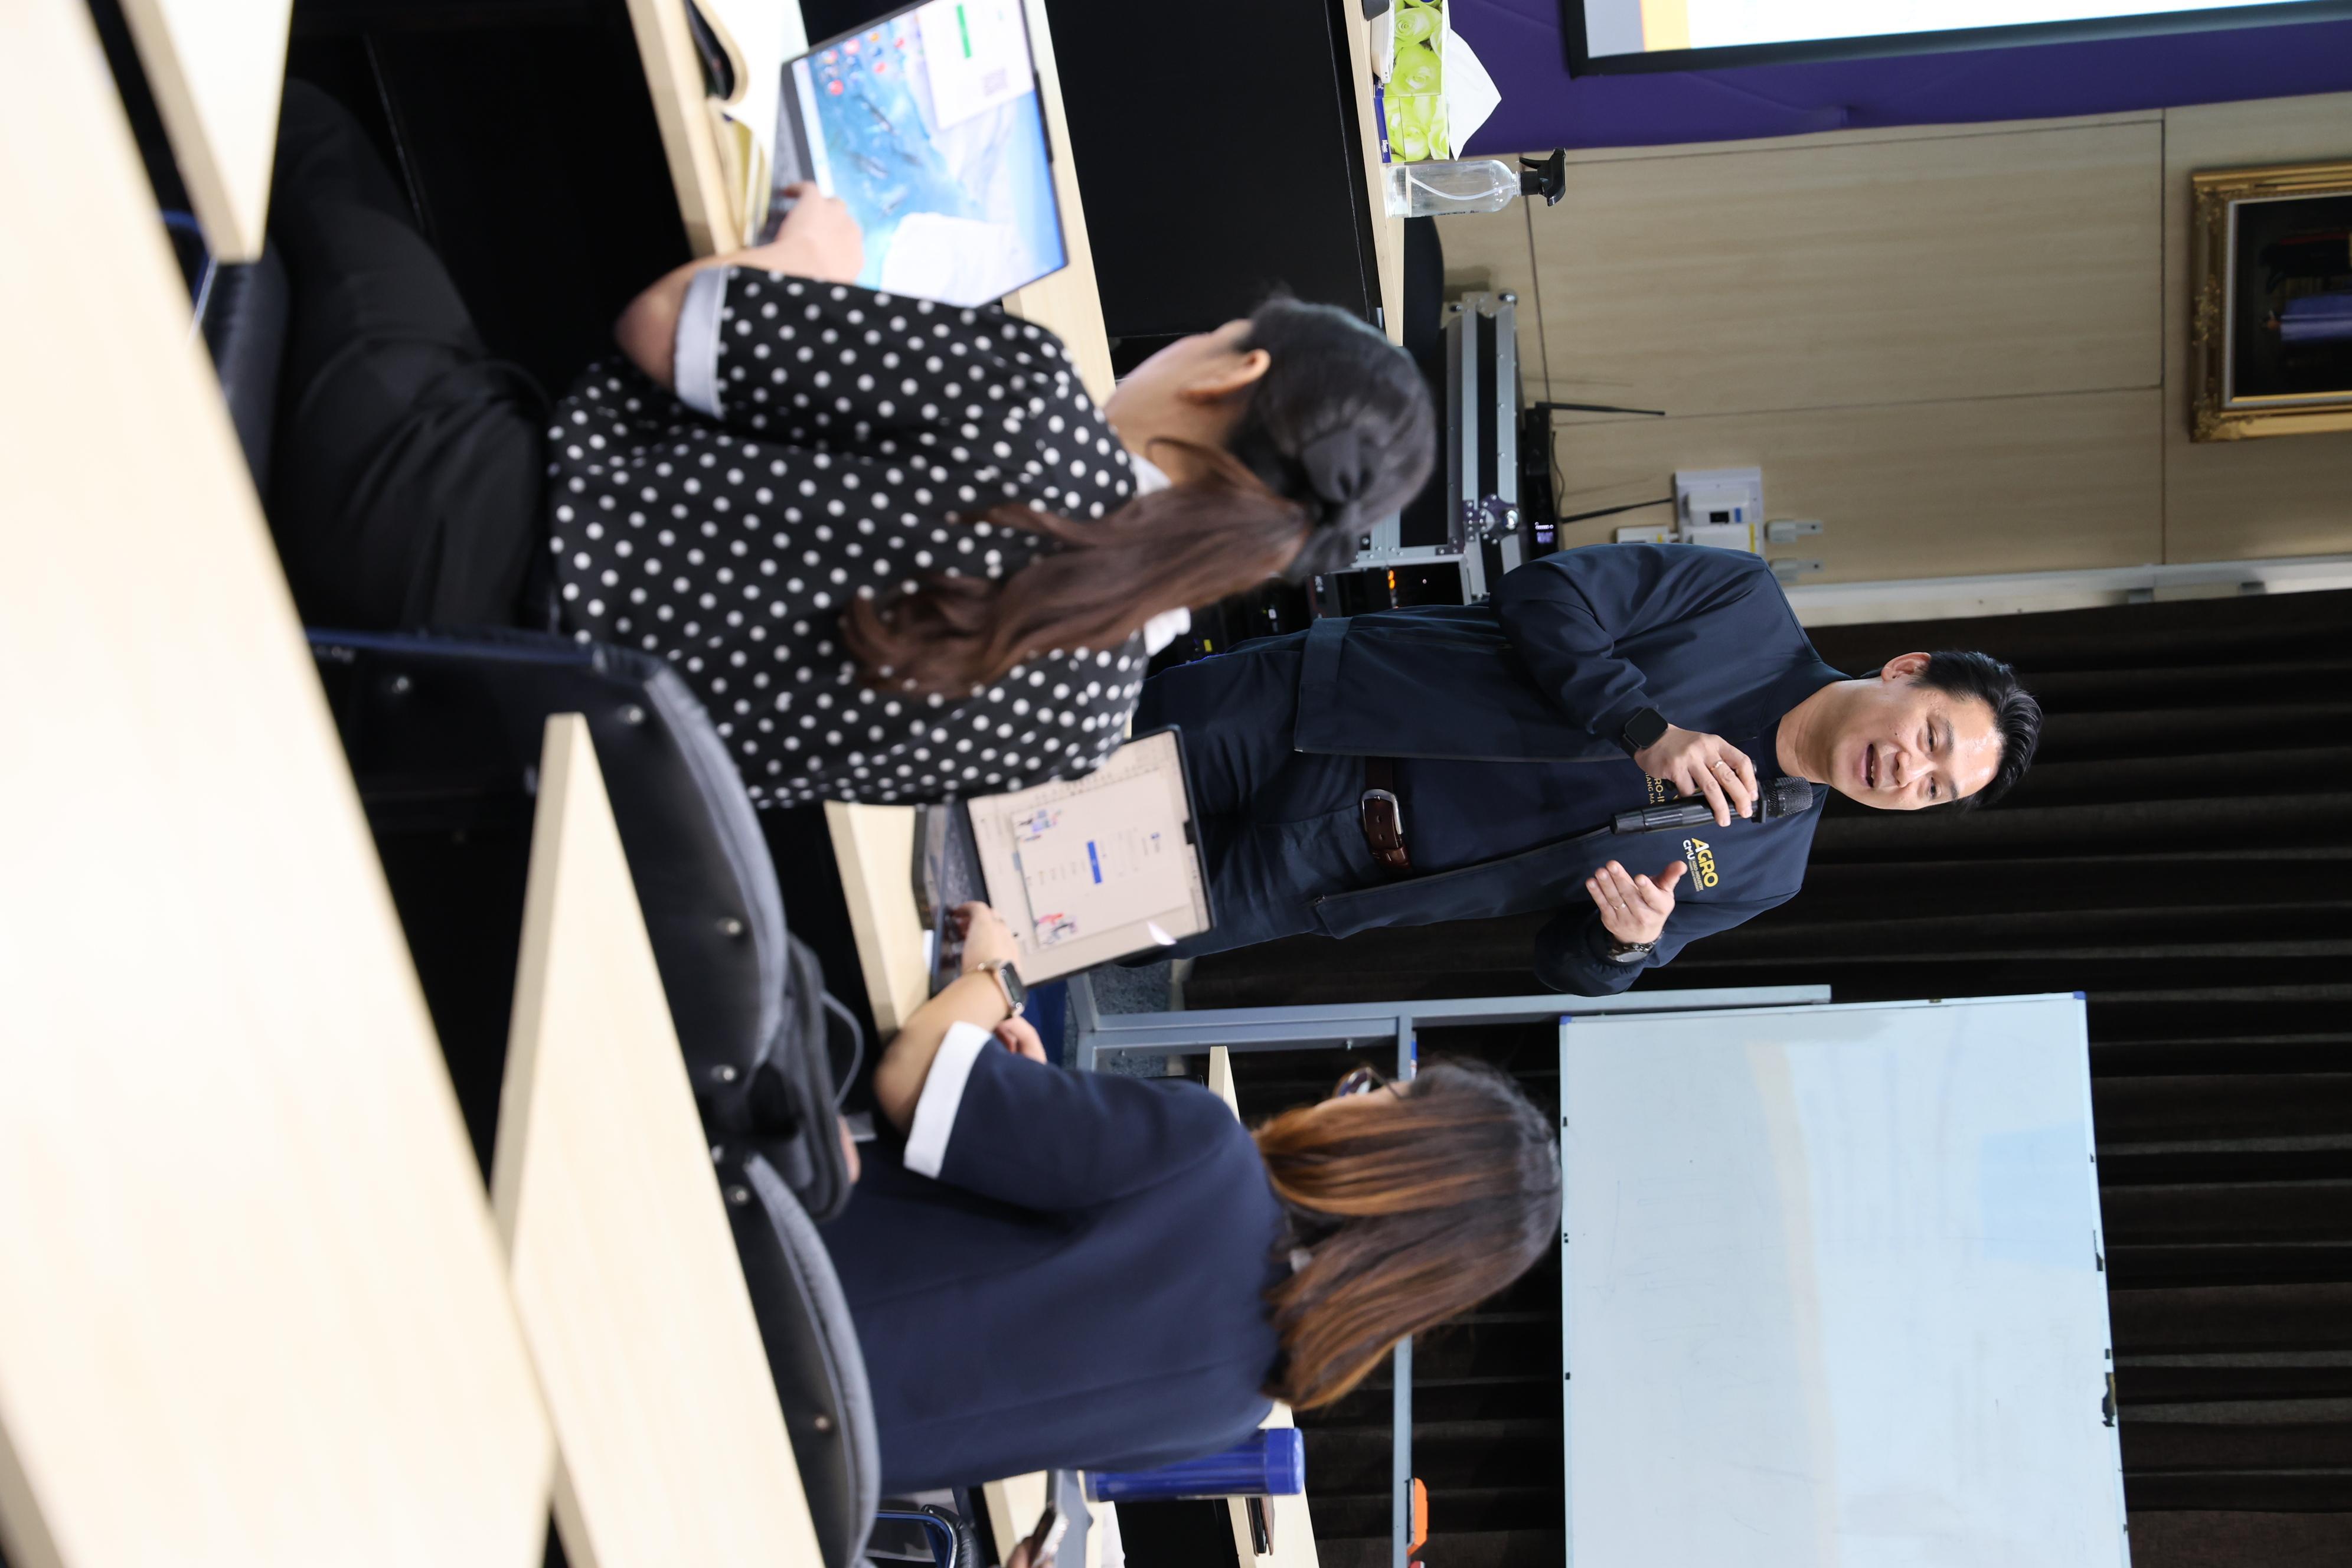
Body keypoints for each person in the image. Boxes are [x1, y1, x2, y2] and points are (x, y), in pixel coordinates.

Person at [262, 82, 1435, 807]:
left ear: (1230, 372)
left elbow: (666, 328)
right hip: (456, 730)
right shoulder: (1085, 724)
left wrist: (809, 261)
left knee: (304, 125)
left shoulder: (1031, 399)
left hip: (427, 511)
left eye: (1215, 333)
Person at [819, 903, 1561, 1492]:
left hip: (778, 1281)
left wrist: (999, 976)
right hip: (804, 1466)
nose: (1345, 1097)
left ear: (1386, 1152)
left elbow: (909, 1076)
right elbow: (1025, 1331)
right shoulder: (1237, 1408)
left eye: (1373, 1093)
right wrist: (1032, 1101)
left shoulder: (1208, 1157)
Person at [1134, 541, 2044, 993]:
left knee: (1076, 916)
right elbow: (1545, 593)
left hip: (1332, 872)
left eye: (1934, 790)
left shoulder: (1770, 868)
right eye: (1931, 738)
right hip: (1315, 713)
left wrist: (1624, 941)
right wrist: (1643, 726)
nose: (1906, 772)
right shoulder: (1742, 604)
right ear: (1907, 671)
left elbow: (1572, 966)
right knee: (1064, 770)